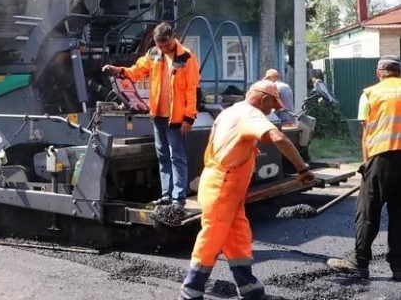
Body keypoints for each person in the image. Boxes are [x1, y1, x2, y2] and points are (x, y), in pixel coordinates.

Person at [178, 80, 315, 300]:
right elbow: (278, 137)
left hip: (226, 187)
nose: (272, 111)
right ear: (264, 99)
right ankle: (190, 293)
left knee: (238, 236)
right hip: (223, 186)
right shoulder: (251, 115)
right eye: (272, 105)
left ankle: (250, 290)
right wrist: (302, 168)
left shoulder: (230, 112)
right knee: (212, 237)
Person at [103, 22, 200, 208]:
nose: (163, 48)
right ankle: (166, 195)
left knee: (176, 156)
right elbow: (137, 71)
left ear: (173, 37)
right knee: (163, 155)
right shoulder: (153, 54)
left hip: (176, 118)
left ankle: (178, 198)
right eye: (160, 45)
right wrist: (119, 70)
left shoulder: (187, 58)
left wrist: (189, 118)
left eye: (166, 45)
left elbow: (191, 90)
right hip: (158, 115)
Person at [326, 55, 401, 281]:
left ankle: (360, 262)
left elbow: (367, 133)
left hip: (382, 157)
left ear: (379, 73)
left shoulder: (370, 93)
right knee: (400, 215)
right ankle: (399, 267)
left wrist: (366, 165)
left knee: (368, 211)